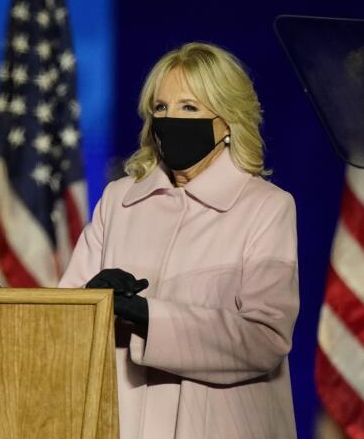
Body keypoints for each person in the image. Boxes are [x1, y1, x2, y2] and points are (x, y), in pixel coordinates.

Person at [59, 42, 298, 438]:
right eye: (161, 108)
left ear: (228, 120)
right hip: (120, 421)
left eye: (189, 107)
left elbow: (265, 337)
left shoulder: (266, 207)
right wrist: (91, 299)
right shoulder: (120, 201)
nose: (171, 119)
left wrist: (147, 315)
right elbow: (62, 324)